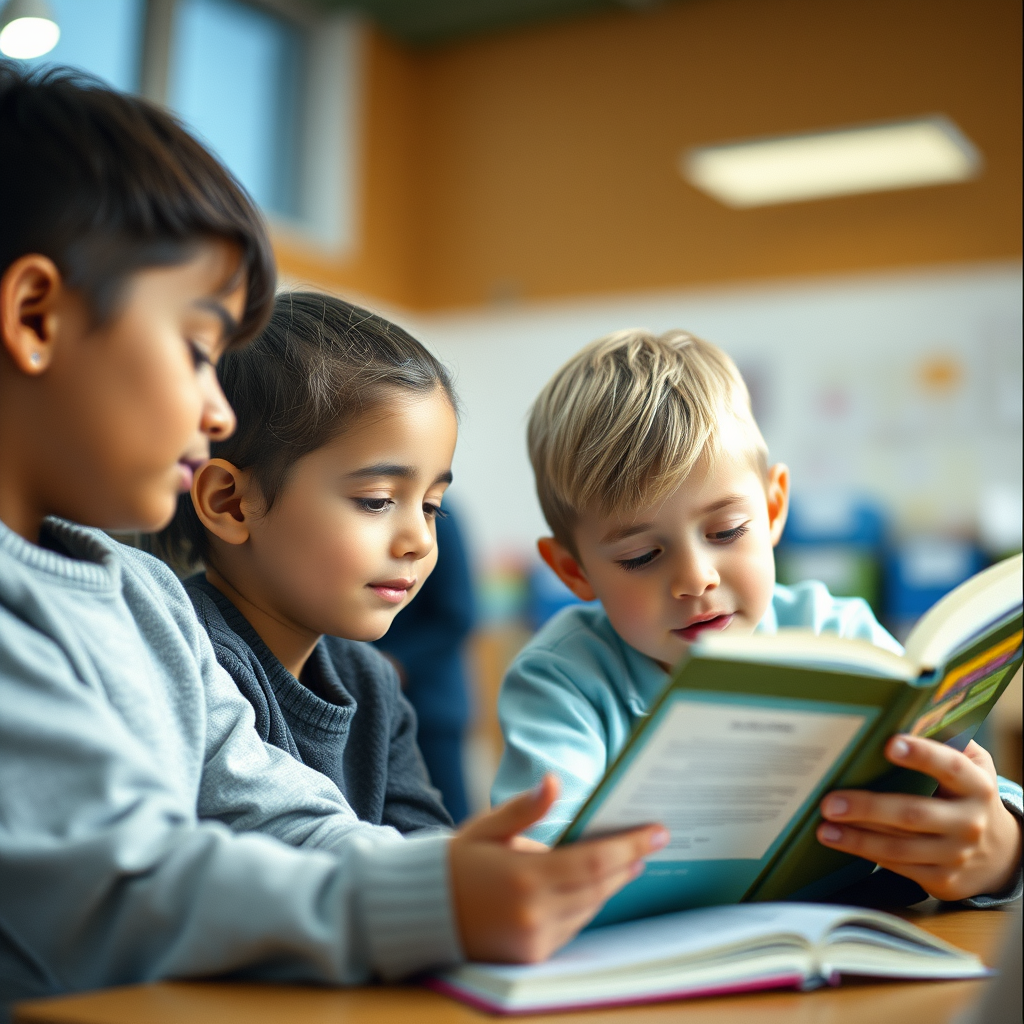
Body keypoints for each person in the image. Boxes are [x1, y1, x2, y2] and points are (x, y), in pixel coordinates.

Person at [0, 64, 667, 1012]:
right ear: (36, 317)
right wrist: (420, 899)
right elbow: (121, 888)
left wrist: (451, 877)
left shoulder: (140, 598)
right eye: (196, 350)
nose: (214, 406)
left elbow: (274, 809)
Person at [492, 328, 1022, 906]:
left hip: (846, 961)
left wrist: (1000, 851)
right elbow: (540, 865)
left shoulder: (837, 636)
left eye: (726, 532)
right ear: (573, 571)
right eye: (640, 557)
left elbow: (969, 801)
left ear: (772, 509)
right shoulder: (562, 680)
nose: (697, 579)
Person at [155, 291, 457, 833]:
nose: (418, 539)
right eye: (377, 500)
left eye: (431, 506)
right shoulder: (191, 657)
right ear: (230, 503)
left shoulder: (370, 682)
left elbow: (425, 843)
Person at [374, 505, 475, 823]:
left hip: (431, 704)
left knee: (448, 819)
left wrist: (395, 661)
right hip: (370, 699)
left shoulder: (442, 518)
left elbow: (459, 614)